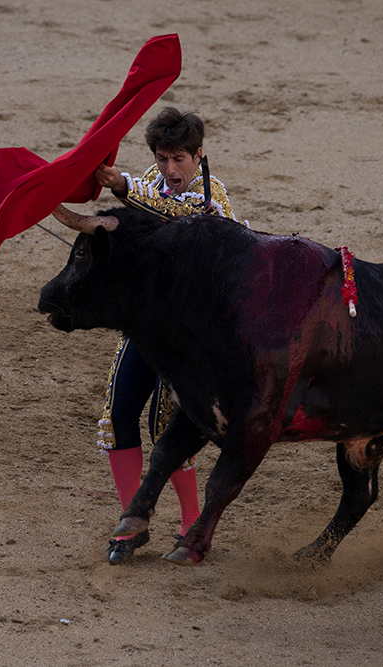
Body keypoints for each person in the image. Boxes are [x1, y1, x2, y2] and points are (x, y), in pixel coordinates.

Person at [88, 107, 240, 564]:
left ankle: (191, 520)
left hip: (198, 335)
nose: (170, 169)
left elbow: (182, 212)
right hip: (151, 324)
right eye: (163, 158)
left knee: (167, 425)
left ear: (198, 156)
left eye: (179, 158)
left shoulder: (211, 196)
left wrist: (123, 186)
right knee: (117, 416)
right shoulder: (151, 180)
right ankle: (131, 521)